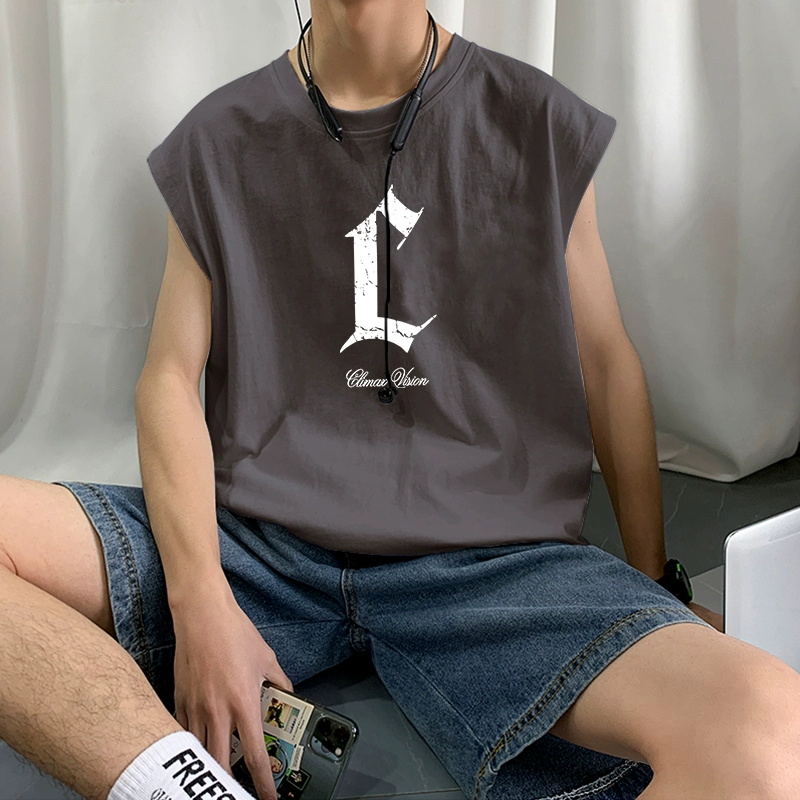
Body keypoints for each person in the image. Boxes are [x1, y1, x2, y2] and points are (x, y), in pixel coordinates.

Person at [1, 2, 799, 799]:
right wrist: (200, 596)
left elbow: (606, 361)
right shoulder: (219, 139)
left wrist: (653, 578)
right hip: (263, 546)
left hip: (496, 562)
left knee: (768, 733)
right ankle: (182, 787)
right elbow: (169, 379)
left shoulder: (535, 120)